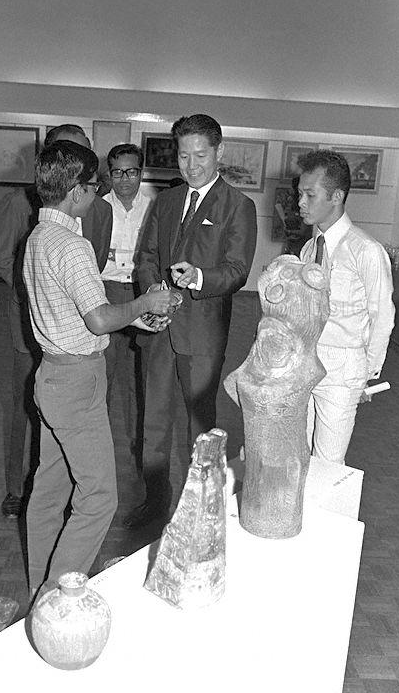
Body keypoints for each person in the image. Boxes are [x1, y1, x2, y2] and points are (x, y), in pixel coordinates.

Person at [22, 140, 172, 595]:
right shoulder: (72, 245)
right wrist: (145, 301)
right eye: (94, 186)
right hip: (77, 381)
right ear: (76, 192)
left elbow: (80, 315)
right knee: (99, 498)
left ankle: (38, 591)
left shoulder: (37, 236)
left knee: (48, 493)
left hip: (50, 374)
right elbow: (99, 318)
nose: (97, 194)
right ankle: (56, 600)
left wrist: (136, 317)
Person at [124, 114, 258, 529]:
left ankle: (200, 507)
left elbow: (237, 269)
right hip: (159, 327)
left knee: (200, 425)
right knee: (154, 420)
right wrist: (153, 294)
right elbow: (146, 257)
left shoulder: (238, 205)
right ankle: (154, 503)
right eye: (184, 155)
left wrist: (198, 278)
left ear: (219, 152)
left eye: (200, 155)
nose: (192, 164)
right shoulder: (165, 201)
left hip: (202, 331)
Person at [0, 123, 113, 519]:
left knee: (75, 418)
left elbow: (92, 268)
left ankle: (60, 492)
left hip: (80, 335)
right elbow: (0, 257)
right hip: (32, 327)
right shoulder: (20, 204)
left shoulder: (101, 208)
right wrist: (42, 294)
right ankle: (16, 489)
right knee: (25, 406)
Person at [297, 150, 395, 463]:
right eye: (300, 194)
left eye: (310, 195)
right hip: (306, 367)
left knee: (328, 465)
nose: (301, 202)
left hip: (341, 373)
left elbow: (384, 317)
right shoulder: (309, 248)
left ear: (337, 196)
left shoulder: (365, 250)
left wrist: (365, 374)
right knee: (299, 456)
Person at [101, 143, 153, 459]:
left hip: (139, 293)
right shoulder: (96, 208)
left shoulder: (154, 208)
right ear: (109, 174)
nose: (124, 179)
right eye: (117, 172)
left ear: (140, 173)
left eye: (131, 172)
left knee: (140, 377)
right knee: (102, 375)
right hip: (105, 294)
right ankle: (98, 448)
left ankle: (140, 446)